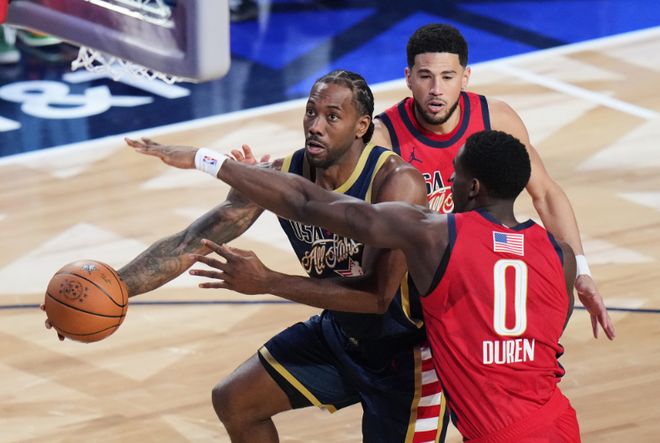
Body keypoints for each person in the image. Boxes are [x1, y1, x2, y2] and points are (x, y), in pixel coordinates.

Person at [134, 129, 582, 442]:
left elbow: (307, 201)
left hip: (490, 427)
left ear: (473, 187)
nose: (449, 182)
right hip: (555, 421)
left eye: (456, 176)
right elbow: (550, 335)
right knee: (236, 399)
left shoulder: (435, 235)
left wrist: (208, 160)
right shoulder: (558, 254)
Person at [104, 70, 446, 442]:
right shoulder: (284, 176)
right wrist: (113, 288)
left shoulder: (397, 183)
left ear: (361, 126)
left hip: (407, 355)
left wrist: (268, 282)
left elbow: (377, 298)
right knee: (235, 401)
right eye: (311, 112)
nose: (315, 126)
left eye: (332, 116)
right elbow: (190, 242)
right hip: (342, 334)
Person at [369, 23, 614, 341]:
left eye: (447, 77)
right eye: (425, 76)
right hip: (416, 292)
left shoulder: (496, 119)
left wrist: (582, 272)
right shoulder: (383, 137)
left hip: (484, 277)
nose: (436, 89)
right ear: (408, 77)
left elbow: (545, 193)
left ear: (465, 77)